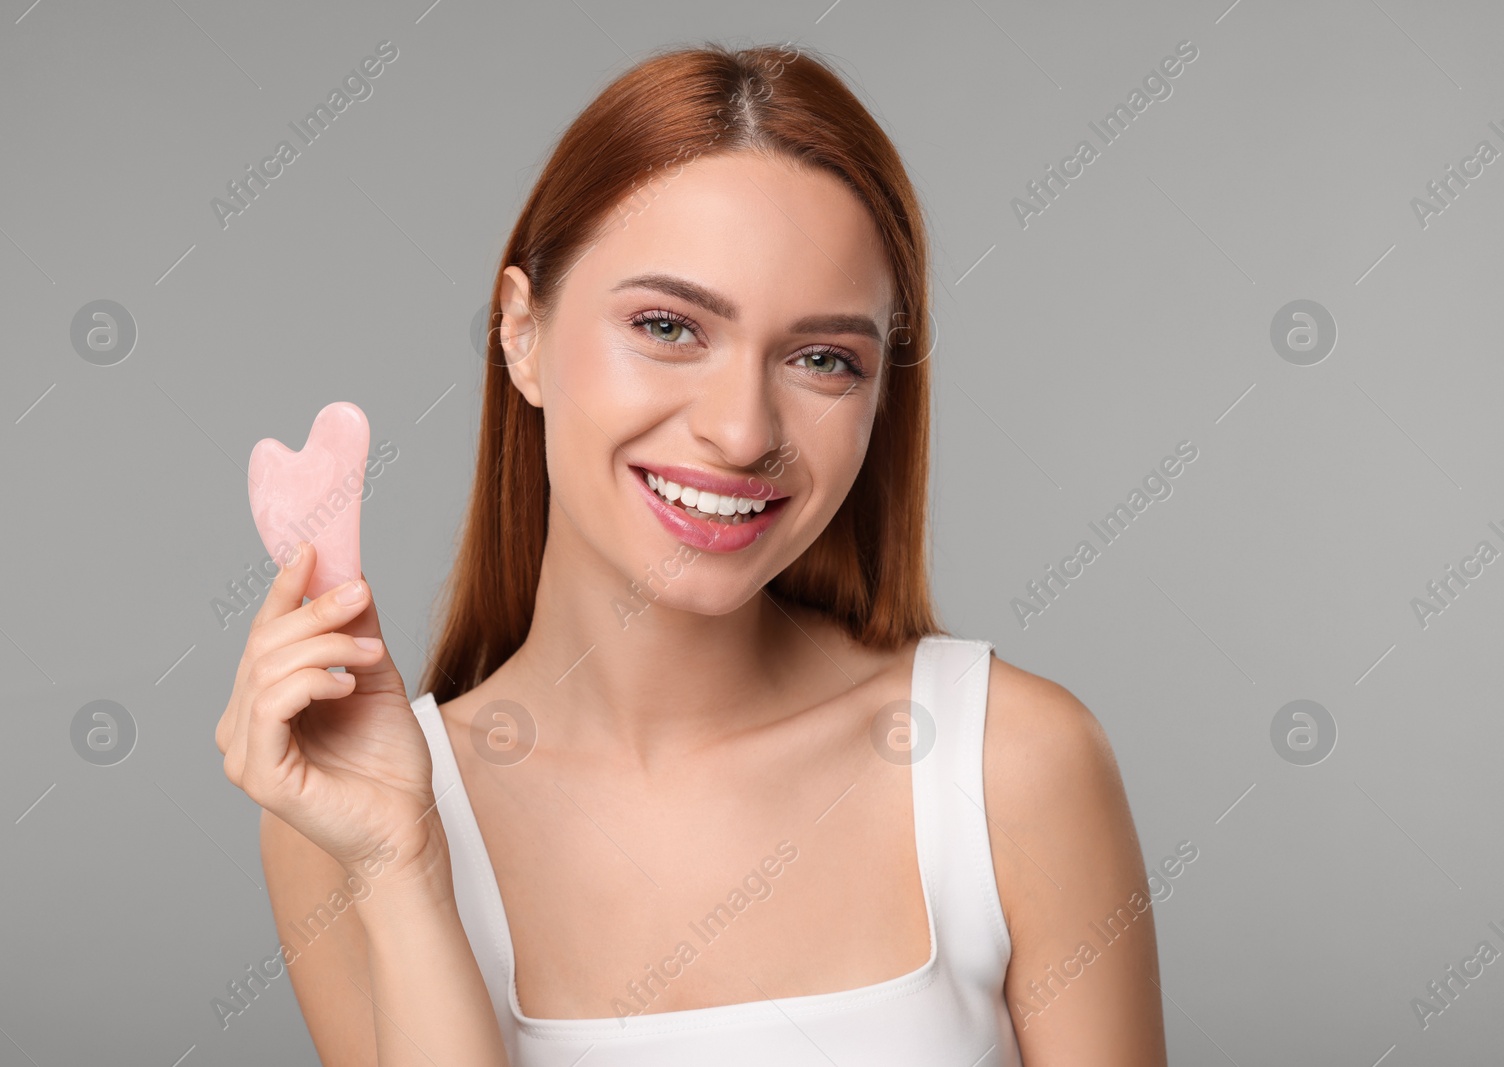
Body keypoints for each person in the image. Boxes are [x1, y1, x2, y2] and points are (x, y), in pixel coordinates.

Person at [216, 41, 1167, 1067]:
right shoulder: (344, 821)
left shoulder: (1012, 766)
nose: (742, 429)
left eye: (821, 358)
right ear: (521, 332)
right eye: (669, 325)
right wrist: (401, 863)